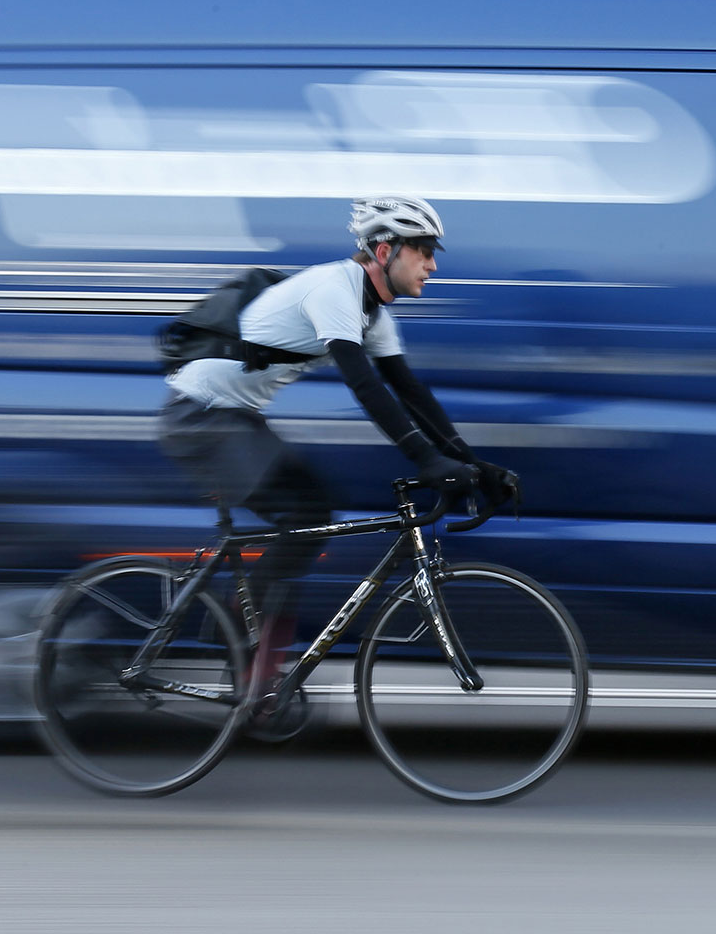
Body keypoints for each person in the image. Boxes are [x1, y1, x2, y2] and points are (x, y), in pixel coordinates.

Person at [156, 195, 519, 706]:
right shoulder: (335, 289)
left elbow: (411, 393)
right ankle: (246, 670)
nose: (433, 265)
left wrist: (475, 465)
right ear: (385, 250)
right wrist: (426, 460)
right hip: (199, 417)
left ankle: (256, 669)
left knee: (309, 515)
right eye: (423, 251)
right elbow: (366, 387)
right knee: (306, 511)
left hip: (231, 418)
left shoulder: (373, 312)